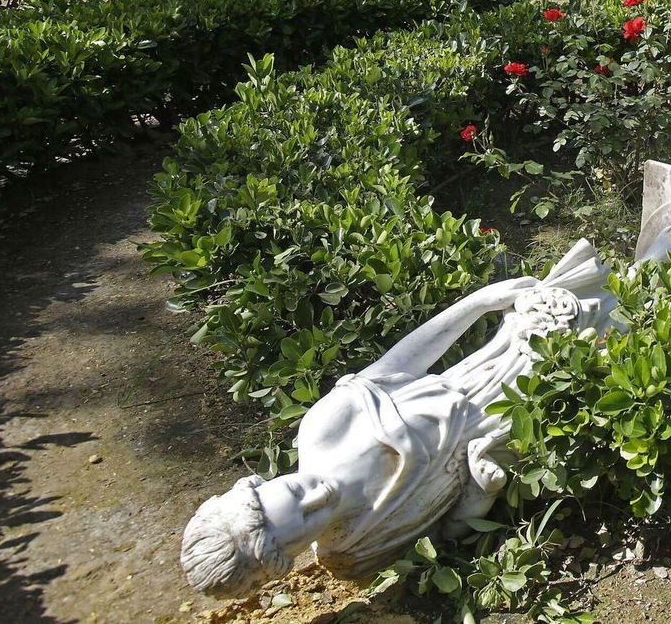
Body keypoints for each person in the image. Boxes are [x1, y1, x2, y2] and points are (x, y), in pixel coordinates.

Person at [182, 242, 621, 597]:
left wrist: (481, 302)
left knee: (612, 305)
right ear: (293, 555)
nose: (318, 496)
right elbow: (444, 542)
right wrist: (478, 497)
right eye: (308, 521)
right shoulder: (354, 551)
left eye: (296, 491)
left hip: (502, 366)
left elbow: (405, 360)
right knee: (625, 375)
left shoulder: (324, 430)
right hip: (528, 441)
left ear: (263, 483)